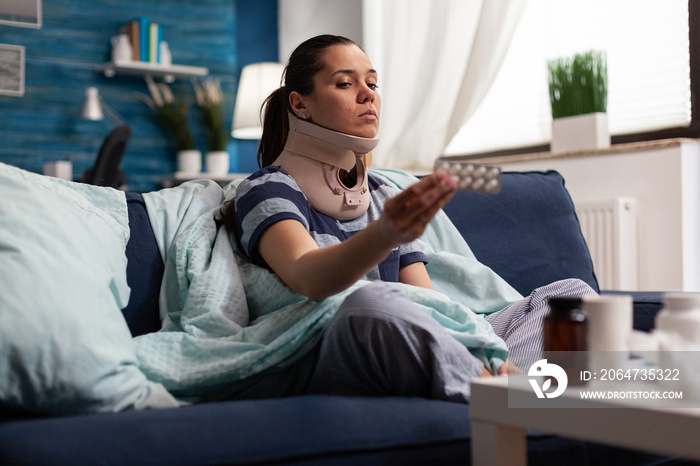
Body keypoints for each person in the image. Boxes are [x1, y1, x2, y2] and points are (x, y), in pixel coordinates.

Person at [216, 34, 595, 403]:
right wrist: (385, 233)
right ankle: (509, 392)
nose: (368, 94)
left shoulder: (382, 194)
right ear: (300, 105)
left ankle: (530, 391)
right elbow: (308, 277)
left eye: (373, 83)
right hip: (326, 341)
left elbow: (428, 303)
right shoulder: (267, 189)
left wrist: (475, 343)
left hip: (405, 330)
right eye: (345, 83)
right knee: (372, 303)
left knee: (569, 295)